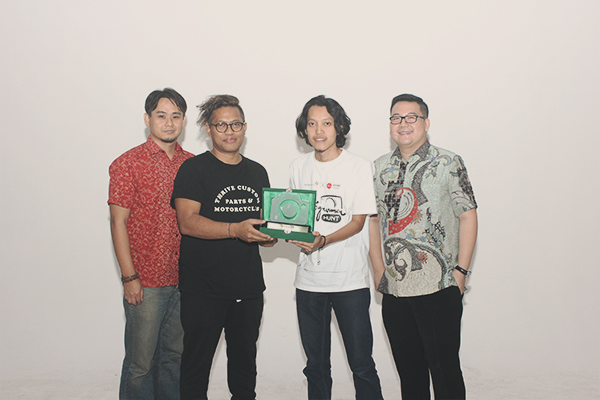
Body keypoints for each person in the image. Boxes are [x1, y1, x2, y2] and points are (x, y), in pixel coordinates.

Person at [369, 94, 478, 400]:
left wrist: (461, 272)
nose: (403, 124)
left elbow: (468, 215)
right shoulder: (379, 168)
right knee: (410, 375)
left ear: (426, 123)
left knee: (445, 372)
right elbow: (373, 221)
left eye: (411, 117)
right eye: (396, 118)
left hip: (439, 287)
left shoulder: (448, 162)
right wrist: (378, 269)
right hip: (396, 290)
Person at [171, 94, 276, 400]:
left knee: (244, 368)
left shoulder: (258, 172)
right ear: (208, 129)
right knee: (195, 367)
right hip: (202, 289)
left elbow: (262, 223)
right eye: (221, 125)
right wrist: (234, 230)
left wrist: (268, 235)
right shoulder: (193, 170)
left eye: (236, 124)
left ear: (245, 127)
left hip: (248, 288)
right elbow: (187, 222)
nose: (229, 131)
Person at [288, 95, 384, 400]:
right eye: (312, 124)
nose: (319, 131)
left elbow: (358, 222)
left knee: (362, 364)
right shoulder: (298, 167)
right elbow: (296, 218)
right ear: (304, 128)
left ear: (339, 127)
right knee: (315, 366)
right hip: (308, 283)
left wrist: (323, 241)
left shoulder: (359, 167)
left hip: (349, 281)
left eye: (326, 123)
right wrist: (287, 230)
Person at [108, 88, 193, 400]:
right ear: (147, 119)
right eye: (161, 115)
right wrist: (129, 277)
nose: (169, 123)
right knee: (140, 364)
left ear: (184, 120)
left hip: (185, 280)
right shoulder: (127, 164)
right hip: (146, 281)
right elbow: (117, 222)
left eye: (175, 116)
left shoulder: (192, 165)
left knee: (174, 359)